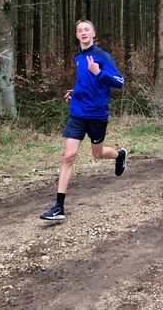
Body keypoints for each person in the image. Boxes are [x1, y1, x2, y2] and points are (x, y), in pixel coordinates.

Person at [39, 19, 126, 221]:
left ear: (93, 33)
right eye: (80, 30)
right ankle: (59, 206)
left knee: (97, 153)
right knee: (68, 156)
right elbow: (83, 81)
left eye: (87, 29)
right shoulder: (79, 57)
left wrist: (100, 72)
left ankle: (119, 155)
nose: (83, 32)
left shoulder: (102, 56)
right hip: (77, 112)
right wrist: (75, 91)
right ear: (77, 35)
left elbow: (120, 82)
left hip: (97, 115)